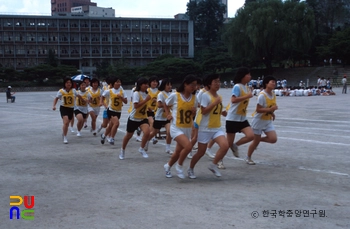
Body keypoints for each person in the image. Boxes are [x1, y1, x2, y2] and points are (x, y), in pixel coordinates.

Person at [188, 73, 229, 178]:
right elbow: (204, 111)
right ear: (209, 84)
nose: (218, 84)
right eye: (215, 82)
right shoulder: (205, 95)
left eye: (219, 81)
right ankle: (191, 168)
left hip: (216, 127)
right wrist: (215, 103)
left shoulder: (219, 96)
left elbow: (216, 110)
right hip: (205, 128)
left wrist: (223, 112)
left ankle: (213, 165)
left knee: (225, 146)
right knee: (201, 152)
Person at [163, 75, 198, 179]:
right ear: (185, 84)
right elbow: (165, 104)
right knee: (188, 146)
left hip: (186, 128)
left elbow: (192, 115)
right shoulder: (175, 95)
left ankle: (168, 166)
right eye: (192, 85)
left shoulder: (194, 99)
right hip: (176, 127)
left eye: (195, 85)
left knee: (178, 152)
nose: (194, 87)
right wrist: (168, 114)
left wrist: (193, 112)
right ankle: (179, 166)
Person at [224, 67, 254, 167]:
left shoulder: (247, 88)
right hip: (233, 118)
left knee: (251, 135)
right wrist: (247, 96)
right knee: (227, 143)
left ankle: (235, 145)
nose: (250, 76)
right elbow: (233, 100)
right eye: (248, 74)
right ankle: (219, 160)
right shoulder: (237, 86)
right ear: (242, 76)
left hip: (242, 118)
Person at [246, 76, 278, 165]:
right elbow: (258, 109)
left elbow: (269, 107)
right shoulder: (262, 95)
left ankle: (258, 140)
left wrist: (272, 113)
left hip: (267, 121)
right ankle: (248, 157)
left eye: (275, 82)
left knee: (273, 139)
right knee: (255, 141)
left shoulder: (273, 94)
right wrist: (270, 109)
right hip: (258, 121)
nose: (274, 83)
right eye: (272, 82)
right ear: (266, 83)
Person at [120, 77, 151, 160]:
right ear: (140, 85)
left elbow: (145, 104)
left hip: (143, 117)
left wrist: (148, 108)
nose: (146, 85)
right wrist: (146, 100)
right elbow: (136, 106)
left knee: (147, 132)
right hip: (134, 118)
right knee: (128, 136)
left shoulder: (147, 93)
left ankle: (141, 148)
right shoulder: (136, 93)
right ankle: (122, 150)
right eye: (145, 84)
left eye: (147, 84)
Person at [52, 78, 84, 144]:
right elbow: (56, 98)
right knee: (66, 122)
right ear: (64, 84)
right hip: (63, 108)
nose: (68, 84)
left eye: (70, 82)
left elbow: (79, 96)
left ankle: (64, 132)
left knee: (67, 123)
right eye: (67, 82)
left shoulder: (74, 90)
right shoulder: (61, 91)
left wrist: (84, 100)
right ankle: (65, 137)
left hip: (71, 108)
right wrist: (54, 106)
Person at [147, 78, 173, 155]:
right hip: (159, 117)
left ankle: (168, 148)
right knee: (153, 132)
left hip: (167, 116)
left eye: (170, 85)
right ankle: (146, 141)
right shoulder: (161, 94)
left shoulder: (171, 94)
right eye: (168, 85)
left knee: (169, 132)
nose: (170, 86)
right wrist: (169, 105)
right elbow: (158, 105)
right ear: (164, 85)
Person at [100, 77, 128, 145]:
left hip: (118, 111)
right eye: (117, 82)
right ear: (113, 83)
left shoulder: (122, 91)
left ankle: (104, 135)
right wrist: (102, 103)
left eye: (119, 82)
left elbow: (126, 102)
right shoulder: (109, 91)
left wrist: (121, 97)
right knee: (116, 123)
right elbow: (102, 96)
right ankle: (112, 138)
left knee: (110, 126)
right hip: (111, 110)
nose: (119, 83)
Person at [146, 76, 160, 145]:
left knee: (155, 125)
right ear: (150, 83)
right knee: (152, 122)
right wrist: (148, 107)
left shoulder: (159, 92)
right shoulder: (147, 90)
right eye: (153, 82)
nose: (155, 83)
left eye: (156, 82)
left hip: (156, 111)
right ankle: (153, 137)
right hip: (148, 111)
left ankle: (151, 136)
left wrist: (156, 100)